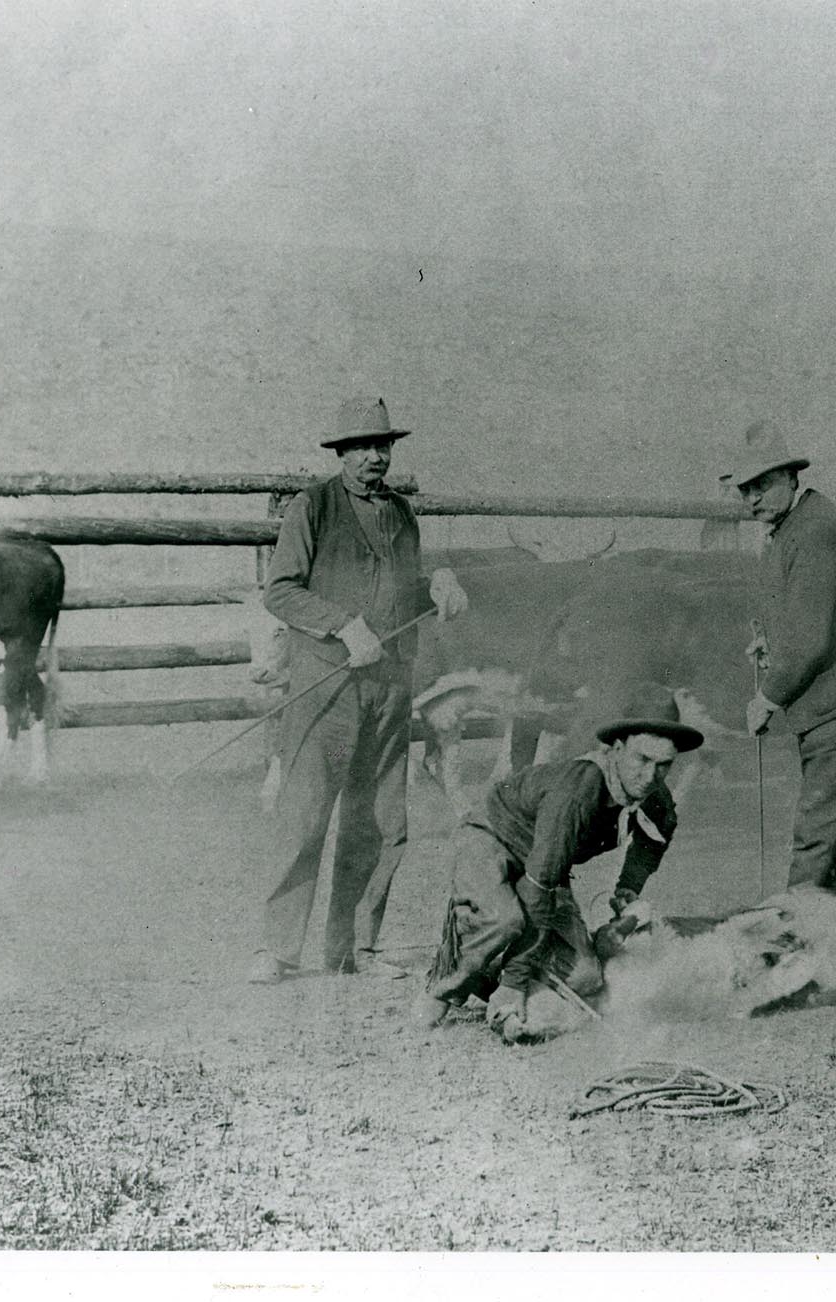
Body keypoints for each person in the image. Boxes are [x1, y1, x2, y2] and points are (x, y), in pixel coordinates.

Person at [249, 397, 470, 984]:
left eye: (384, 446)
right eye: (363, 447)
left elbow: (404, 593)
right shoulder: (313, 508)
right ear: (341, 453)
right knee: (305, 817)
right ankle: (278, 950)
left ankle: (354, 951)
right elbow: (281, 591)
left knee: (380, 823)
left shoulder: (401, 513)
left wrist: (438, 588)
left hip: (390, 689)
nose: (376, 456)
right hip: (328, 688)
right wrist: (342, 626)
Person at [411, 683, 702, 1041]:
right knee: (505, 920)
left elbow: (655, 838)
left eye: (664, 765)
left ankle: (489, 976)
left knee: (585, 975)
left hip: (544, 866)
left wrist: (628, 885)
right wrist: (517, 983)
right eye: (642, 760)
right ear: (617, 748)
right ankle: (444, 986)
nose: (650, 776)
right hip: (491, 840)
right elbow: (540, 886)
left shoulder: (655, 794)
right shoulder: (578, 791)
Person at [723, 421, 836, 897]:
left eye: (762, 485)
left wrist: (768, 695)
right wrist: (770, 643)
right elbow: (802, 617)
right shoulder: (792, 528)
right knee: (834, 833)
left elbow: (813, 640)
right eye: (744, 491)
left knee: (817, 836)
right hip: (829, 701)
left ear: (790, 477)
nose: (753, 499)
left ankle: (784, 954)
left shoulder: (815, 531)